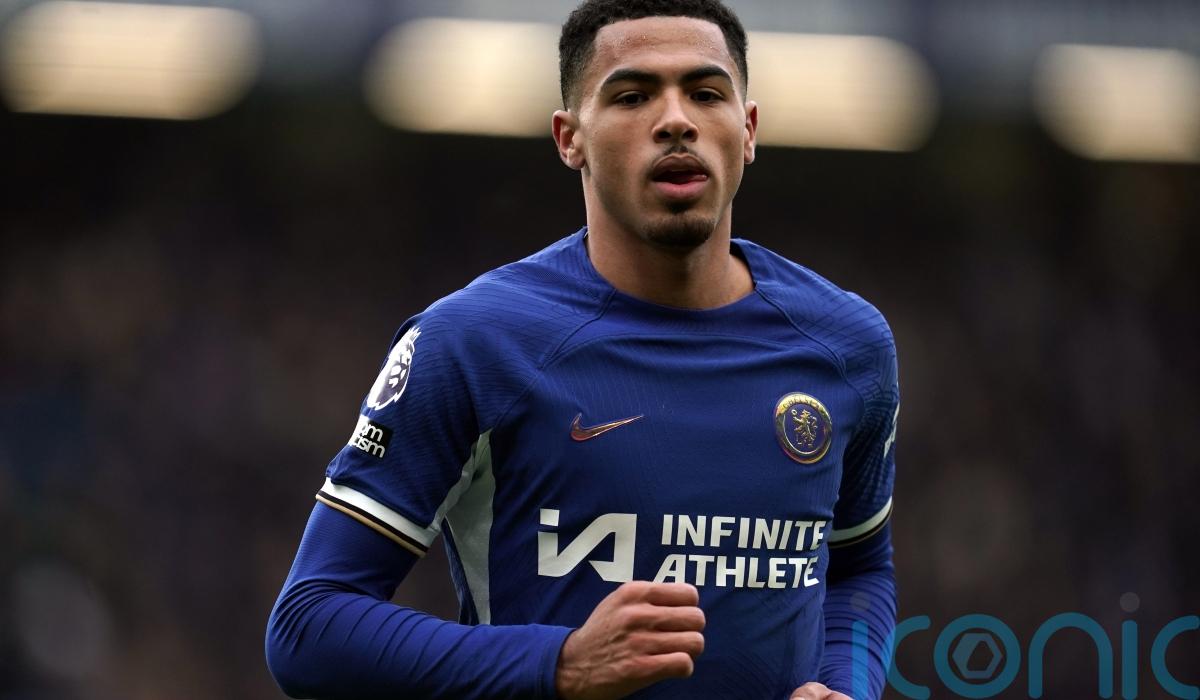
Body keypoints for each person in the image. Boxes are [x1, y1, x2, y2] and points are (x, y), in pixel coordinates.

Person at [265, 1, 898, 698]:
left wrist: (849, 685)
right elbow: (308, 626)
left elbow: (859, 570)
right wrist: (559, 664)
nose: (676, 120)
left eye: (705, 93)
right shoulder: (474, 343)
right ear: (571, 139)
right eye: (632, 96)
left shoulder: (847, 346)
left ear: (747, 130)